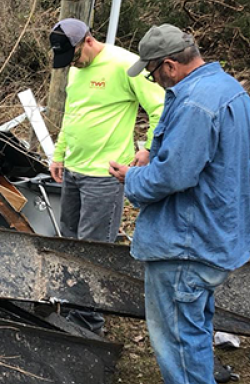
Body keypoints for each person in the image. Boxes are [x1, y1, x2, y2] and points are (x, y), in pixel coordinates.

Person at [108, 24, 250, 384]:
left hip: (185, 244)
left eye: (153, 73)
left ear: (170, 66)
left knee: (179, 344)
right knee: (194, 332)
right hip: (215, 236)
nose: (154, 80)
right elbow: (201, 158)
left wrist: (131, 177)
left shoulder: (194, 103)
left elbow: (173, 176)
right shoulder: (228, 89)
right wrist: (152, 154)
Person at [48, 18, 164, 243]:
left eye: (74, 57)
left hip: (104, 175)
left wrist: (150, 149)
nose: (73, 64)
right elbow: (71, 114)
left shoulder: (125, 64)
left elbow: (160, 108)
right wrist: (59, 155)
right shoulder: (76, 69)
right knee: (67, 242)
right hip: (73, 169)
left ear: (88, 41)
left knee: (94, 247)